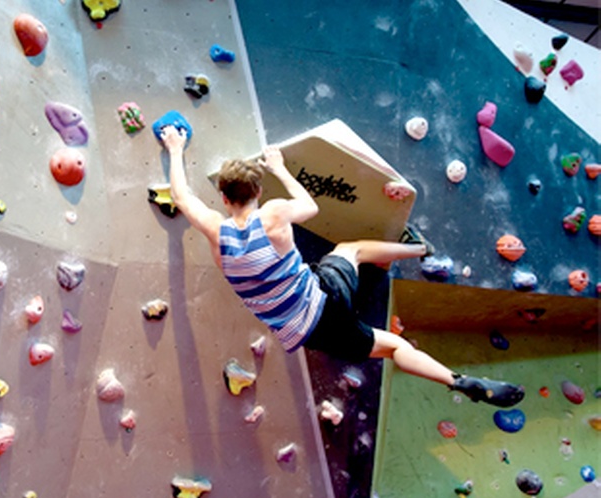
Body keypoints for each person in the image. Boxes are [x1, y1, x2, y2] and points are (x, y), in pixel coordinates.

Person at [159, 125, 524, 408]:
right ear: (257, 192)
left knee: (393, 348)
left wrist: (175, 149)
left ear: (223, 198)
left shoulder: (215, 230)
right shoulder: (272, 214)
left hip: (305, 334)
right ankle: (416, 249)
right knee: (352, 249)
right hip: (325, 299)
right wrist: (280, 169)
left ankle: (454, 380)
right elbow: (310, 207)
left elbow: (182, 196)